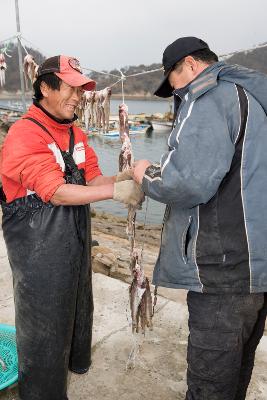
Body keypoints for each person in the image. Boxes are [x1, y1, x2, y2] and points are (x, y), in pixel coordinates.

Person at [0, 55, 142, 400]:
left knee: (78, 303)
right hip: (37, 249)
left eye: (82, 89)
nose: (79, 96)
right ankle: (42, 392)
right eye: (71, 88)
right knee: (44, 320)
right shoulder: (23, 134)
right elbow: (57, 192)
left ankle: (75, 361)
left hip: (74, 240)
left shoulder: (76, 133)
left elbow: (92, 178)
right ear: (45, 87)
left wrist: (122, 178)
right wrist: (115, 191)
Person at [132, 37, 267, 400]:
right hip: (254, 269)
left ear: (190, 65)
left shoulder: (211, 97)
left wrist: (144, 173)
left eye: (173, 80)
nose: (175, 90)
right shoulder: (252, 96)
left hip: (220, 269)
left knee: (210, 380)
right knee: (236, 370)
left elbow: (186, 183)